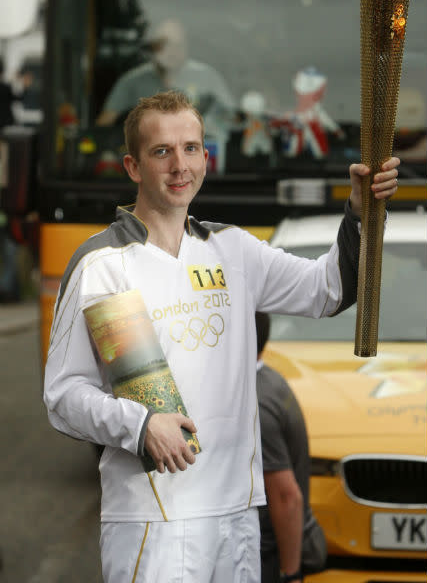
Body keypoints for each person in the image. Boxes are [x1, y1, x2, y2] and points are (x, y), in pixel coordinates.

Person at [43, 90, 400, 582]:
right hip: (154, 516)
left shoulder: (232, 250)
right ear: (132, 166)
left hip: (236, 515)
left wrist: (359, 213)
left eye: (190, 148)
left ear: (206, 158)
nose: (179, 165)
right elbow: (62, 396)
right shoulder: (101, 264)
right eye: (161, 151)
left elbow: (328, 290)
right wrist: (140, 425)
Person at [255, 311, 327, 583]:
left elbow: (286, 497)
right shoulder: (272, 380)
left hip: (269, 560)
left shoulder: (256, 400)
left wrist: (291, 573)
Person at [96, 18, 235, 128]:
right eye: (164, 44)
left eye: (177, 44)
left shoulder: (207, 77)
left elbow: (234, 118)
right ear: (154, 47)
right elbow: (103, 127)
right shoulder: (132, 81)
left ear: (186, 47)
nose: (171, 50)